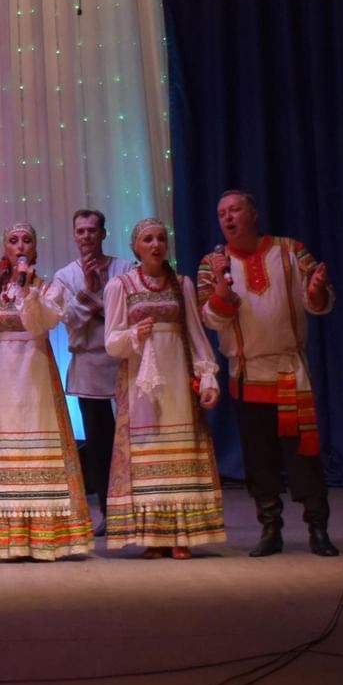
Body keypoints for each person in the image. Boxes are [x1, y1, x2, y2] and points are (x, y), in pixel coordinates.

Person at [0, 223, 92, 560]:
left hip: (35, 373)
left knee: (39, 447)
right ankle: (6, 539)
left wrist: (27, 289)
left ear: (35, 250)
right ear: (5, 250)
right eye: (13, 241)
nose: (20, 246)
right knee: (5, 448)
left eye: (26, 241)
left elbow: (40, 324)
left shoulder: (50, 290)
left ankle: (44, 537)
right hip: (4, 378)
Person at [199, 190, 338, 557]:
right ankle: (270, 527)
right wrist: (223, 294)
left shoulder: (291, 250)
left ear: (254, 213)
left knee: (304, 453)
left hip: (290, 371)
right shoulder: (212, 263)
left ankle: (318, 527)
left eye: (235, 210)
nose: (228, 218)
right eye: (221, 213)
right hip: (246, 374)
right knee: (258, 455)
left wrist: (316, 290)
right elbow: (208, 318)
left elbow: (318, 302)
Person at [103, 218, 226, 559]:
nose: (155, 245)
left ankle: (181, 534)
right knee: (146, 453)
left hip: (176, 382)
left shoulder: (182, 284)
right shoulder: (121, 286)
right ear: (135, 247)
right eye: (147, 239)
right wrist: (132, 336)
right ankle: (153, 535)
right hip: (140, 384)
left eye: (160, 238)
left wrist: (208, 377)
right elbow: (111, 343)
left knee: (181, 452)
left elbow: (196, 337)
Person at [53, 209, 133, 533]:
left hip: (125, 361)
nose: (86, 236)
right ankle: (106, 509)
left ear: (103, 234)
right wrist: (89, 290)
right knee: (99, 441)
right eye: (80, 231)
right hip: (87, 361)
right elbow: (69, 319)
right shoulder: (64, 276)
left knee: (128, 437)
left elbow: (128, 312)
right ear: (74, 235)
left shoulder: (124, 268)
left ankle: (136, 505)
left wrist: (94, 307)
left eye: (92, 230)